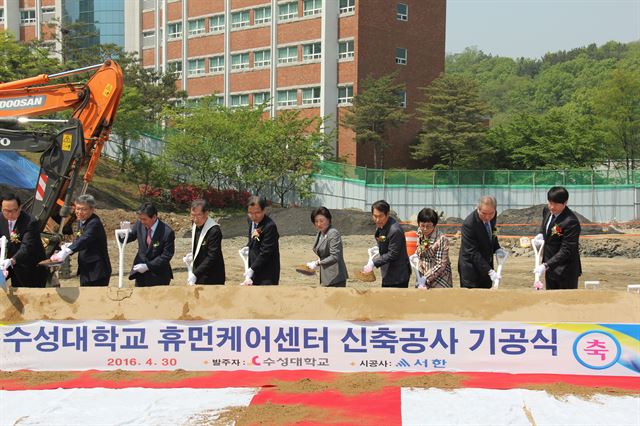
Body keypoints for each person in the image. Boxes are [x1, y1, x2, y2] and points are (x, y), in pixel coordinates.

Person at [50, 195, 111, 286]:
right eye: (77, 209)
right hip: (86, 269)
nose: (79, 212)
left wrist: (66, 251)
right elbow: (80, 239)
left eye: (84, 209)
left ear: (92, 209)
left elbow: (85, 239)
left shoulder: (94, 223)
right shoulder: (81, 221)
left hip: (97, 271)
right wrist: (68, 246)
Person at [533, 186, 582, 290]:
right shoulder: (547, 210)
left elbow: (567, 250)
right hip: (550, 267)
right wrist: (541, 234)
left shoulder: (571, 222)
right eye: (550, 203)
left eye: (555, 204)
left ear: (565, 203)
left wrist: (546, 265)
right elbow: (545, 226)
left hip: (565, 271)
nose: (552, 207)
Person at [0, 193, 47, 287]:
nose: (10, 214)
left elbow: (26, 247)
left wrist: (12, 261)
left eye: (14, 210)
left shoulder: (30, 222)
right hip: (7, 265)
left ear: (20, 207)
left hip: (29, 267)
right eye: (6, 211)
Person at [123, 202, 175, 287]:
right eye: (140, 219)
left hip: (158, 275)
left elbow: (166, 255)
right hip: (140, 274)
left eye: (145, 219)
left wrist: (148, 266)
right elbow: (130, 237)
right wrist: (123, 233)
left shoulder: (167, 232)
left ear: (154, 217)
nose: (142, 222)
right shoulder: (139, 224)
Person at [458, 195, 505, 289]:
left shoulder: (493, 216)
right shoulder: (469, 224)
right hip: (471, 269)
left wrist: (497, 248)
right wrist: (489, 271)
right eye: (484, 213)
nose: (487, 217)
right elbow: (472, 252)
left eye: (491, 213)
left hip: (486, 264)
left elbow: (491, 233)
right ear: (478, 209)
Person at [362, 200, 410, 288]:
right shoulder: (381, 226)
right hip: (388, 272)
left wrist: (373, 263)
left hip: (398, 276)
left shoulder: (395, 230)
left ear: (387, 214)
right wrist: (377, 247)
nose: (377, 220)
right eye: (375, 216)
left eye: (380, 216)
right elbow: (383, 240)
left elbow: (393, 254)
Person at [183, 199, 225, 285]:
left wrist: (195, 274)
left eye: (198, 215)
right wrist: (193, 254)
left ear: (206, 214)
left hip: (212, 277)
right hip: (199, 274)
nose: (195, 219)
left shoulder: (214, 231)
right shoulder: (195, 223)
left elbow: (212, 256)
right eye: (192, 215)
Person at [305, 206, 348, 287]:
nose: (319, 224)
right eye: (316, 221)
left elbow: (335, 256)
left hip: (335, 277)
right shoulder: (320, 233)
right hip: (326, 275)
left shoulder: (333, 233)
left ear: (328, 220)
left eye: (321, 221)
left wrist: (318, 263)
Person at [242, 196, 280, 286]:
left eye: (257, 213)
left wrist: (252, 269)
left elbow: (266, 252)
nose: (254, 216)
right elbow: (254, 238)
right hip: (254, 269)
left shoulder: (270, 227)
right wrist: (247, 247)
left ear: (264, 210)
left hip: (267, 274)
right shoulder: (251, 221)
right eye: (250, 213)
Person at [415, 208, 452, 289]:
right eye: (422, 225)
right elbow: (419, 252)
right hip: (422, 276)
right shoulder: (420, 233)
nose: (425, 229)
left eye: (428, 226)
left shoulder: (442, 239)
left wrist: (425, 278)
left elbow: (441, 264)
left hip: (439, 278)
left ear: (434, 225)